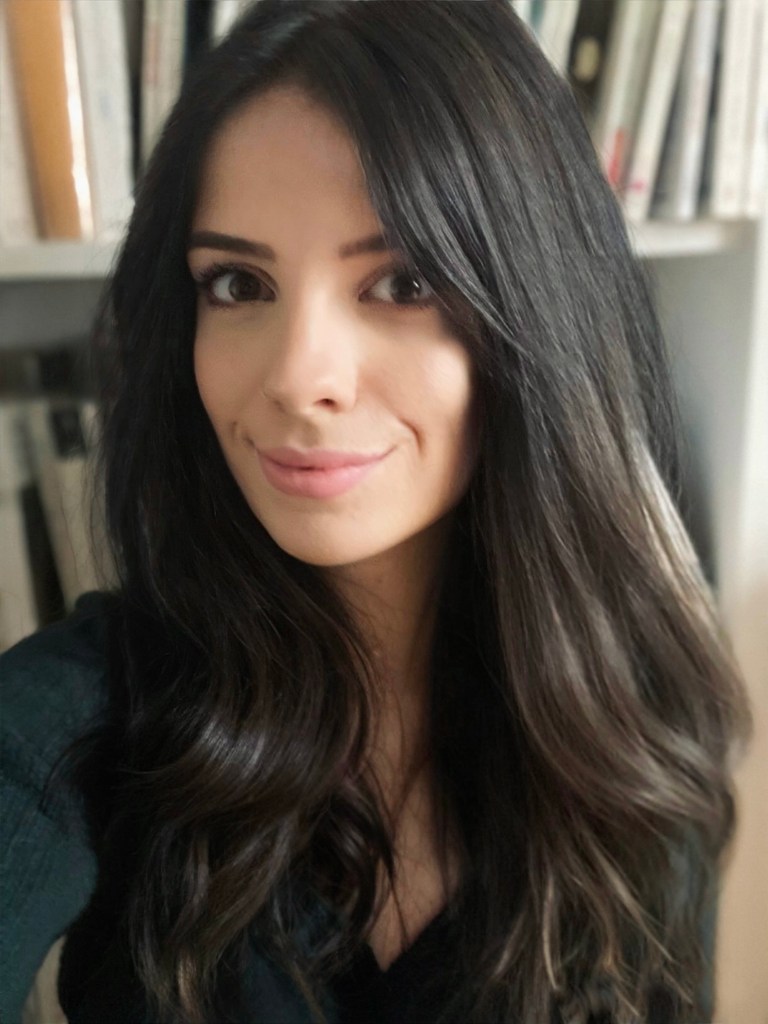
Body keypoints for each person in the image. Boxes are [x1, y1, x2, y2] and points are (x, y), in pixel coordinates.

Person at [0, 2, 752, 1022]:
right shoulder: (74, 723)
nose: (298, 376)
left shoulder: (634, 733)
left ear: (535, 312)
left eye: (401, 282)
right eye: (238, 283)